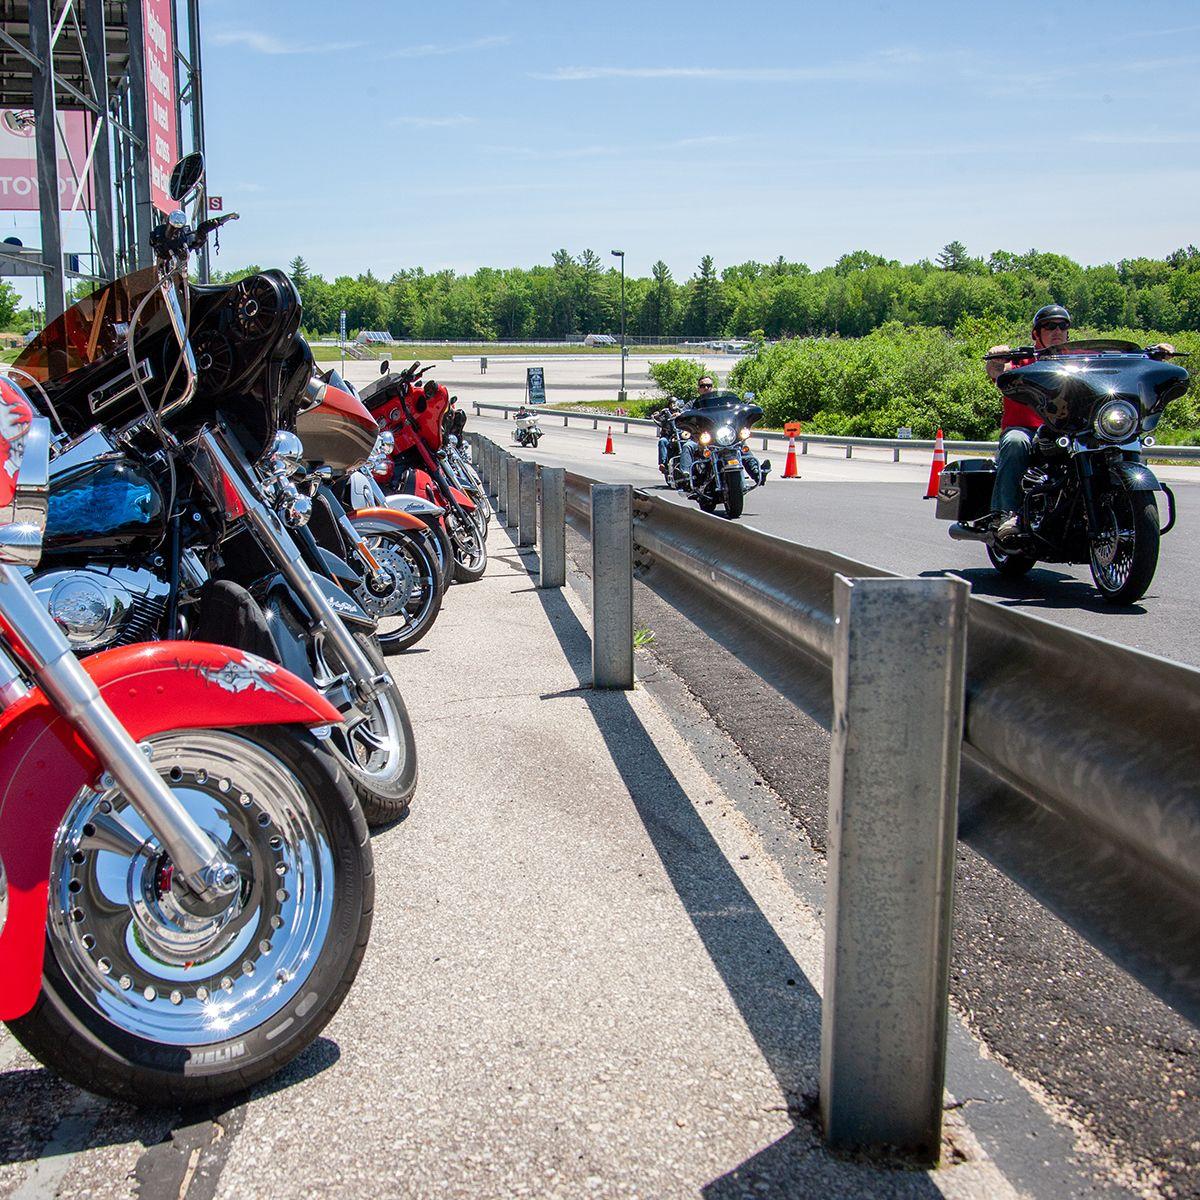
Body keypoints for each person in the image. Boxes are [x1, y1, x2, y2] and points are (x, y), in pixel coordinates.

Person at [984, 305, 1071, 545]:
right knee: (1015, 442)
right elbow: (996, 372)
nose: (1057, 331)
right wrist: (997, 358)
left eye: (1062, 326)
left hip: (1069, 430)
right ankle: (1006, 514)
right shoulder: (1022, 360)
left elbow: (1111, 363)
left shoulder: (1079, 358)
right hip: (1027, 430)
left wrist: (1158, 354)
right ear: (1036, 333)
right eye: (1049, 326)